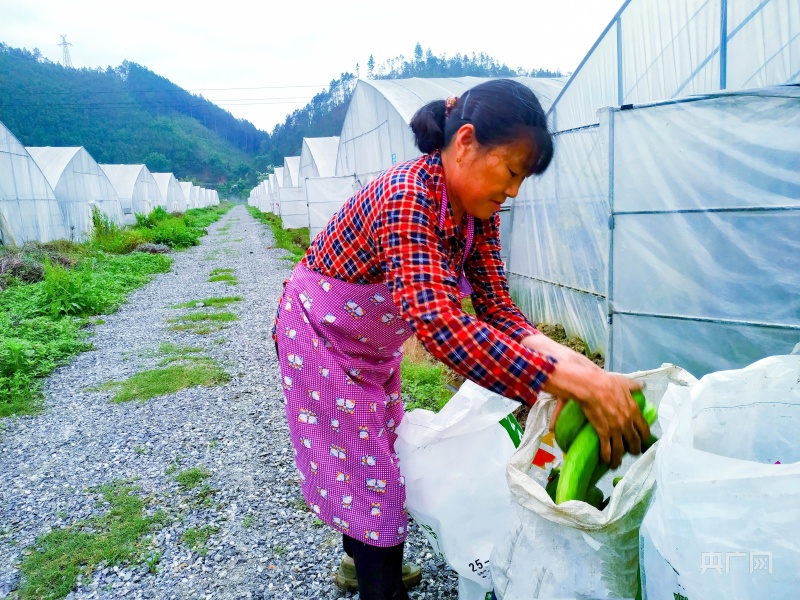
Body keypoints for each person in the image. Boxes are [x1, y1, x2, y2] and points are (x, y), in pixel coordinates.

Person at [272, 79, 649, 600]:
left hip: (370, 343)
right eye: (512, 171)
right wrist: (560, 382)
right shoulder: (408, 197)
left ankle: (359, 562)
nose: (514, 190)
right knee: (369, 471)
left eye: (523, 179)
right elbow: (440, 327)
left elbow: (499, 311)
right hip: (320, 334)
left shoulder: (477, 214)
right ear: (466, 142)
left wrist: (581, 371)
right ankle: (376, 581)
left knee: (375, 445)